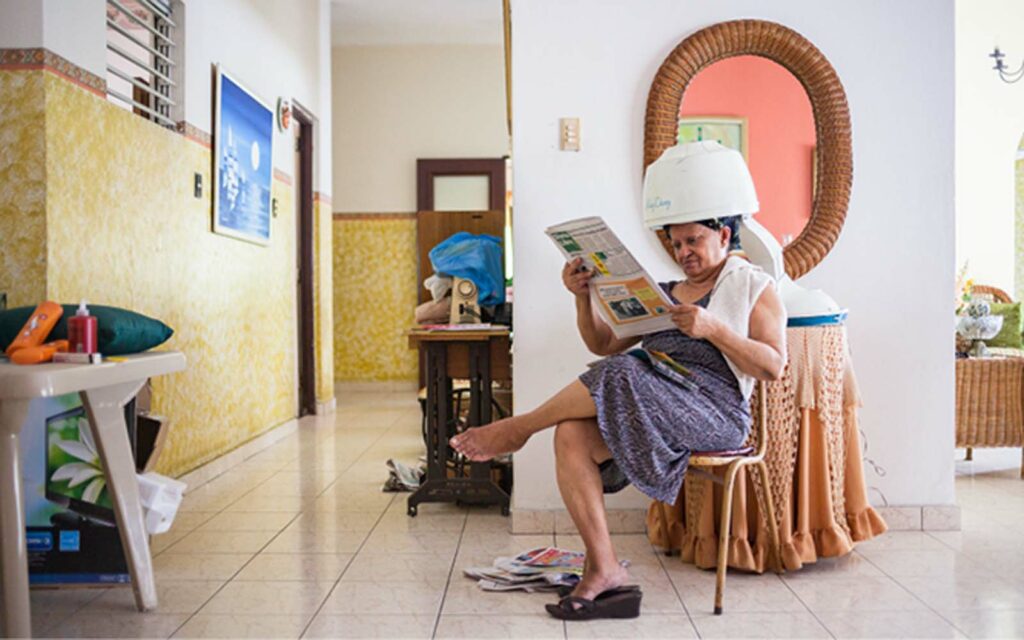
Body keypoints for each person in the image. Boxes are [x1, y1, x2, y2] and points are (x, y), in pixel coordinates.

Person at [450, 215, 786, 620]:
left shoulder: (754, 286)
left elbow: (773, 366)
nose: (684, 253)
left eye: (693, 241)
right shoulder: (663, 296)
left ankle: (520, 428)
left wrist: (714, 329)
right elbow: (604, 343)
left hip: (715, 411)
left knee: (626, 369)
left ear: (724, 235)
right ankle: (605, 567)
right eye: (676, 245)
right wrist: (581, 296)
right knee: (572, 432)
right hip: (654, 402)